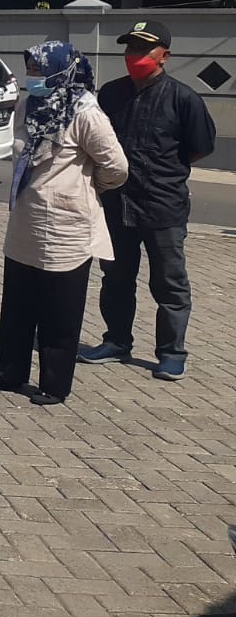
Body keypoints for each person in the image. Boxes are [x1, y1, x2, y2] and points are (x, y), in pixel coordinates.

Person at [0, 42, 127, 405]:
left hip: (66, 225)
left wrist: (83, 188)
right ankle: (10, 371)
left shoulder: (86, 112)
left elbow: (117, 167)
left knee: (60, 309)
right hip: (26, 220)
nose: (33, 78)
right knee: (17, 304)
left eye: (40, 71)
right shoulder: (28, 106)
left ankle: (54, 383)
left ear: (62, 71)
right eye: (31, 70)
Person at [80, 20, 216, 381]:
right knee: (115, 278)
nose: (134, 56)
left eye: (143, 49)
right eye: (130, 49)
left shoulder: (183, 98)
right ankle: (116, 342)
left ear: (164, 56)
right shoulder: (111, 94)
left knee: (169, 283)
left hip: (163, 206)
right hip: (117, 204)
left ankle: (171, 353)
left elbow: (200, 147)